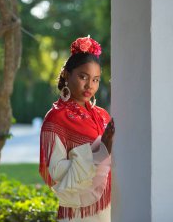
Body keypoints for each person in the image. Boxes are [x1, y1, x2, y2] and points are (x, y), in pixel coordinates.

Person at [39, 36, 115, 222]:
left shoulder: (103, 115)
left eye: (96, 80)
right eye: (83, 77)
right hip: (79, 211)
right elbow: (55, 170)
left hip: (111, 206)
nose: (90, 85)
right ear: (66, 75)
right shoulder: (56, 118)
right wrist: (97, 153)